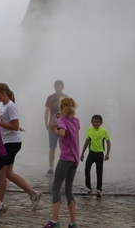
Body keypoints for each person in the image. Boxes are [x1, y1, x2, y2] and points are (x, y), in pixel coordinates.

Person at [0, 83, 42, 210]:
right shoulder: (1, 106)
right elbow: (9, 125)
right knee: (8, 173)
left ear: (4, 93)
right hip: (6, 142)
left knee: (1, 173)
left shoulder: (11, 106)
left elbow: (14, 126)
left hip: (12, 142)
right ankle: (33, 193)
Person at [43, 97, 80, 228]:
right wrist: (61, 118)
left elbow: (62, 133)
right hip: (75, 159)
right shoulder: (76, 120)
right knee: (69, 190)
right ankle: (73, 222)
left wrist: (54, 127)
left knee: (56, 187)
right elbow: (69, 127)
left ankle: (54, 221)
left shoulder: (63, 121)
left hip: (65, 158)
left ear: (61, 107)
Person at [80, 114, 111, 198]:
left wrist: (107, 154)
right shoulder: (89, 130)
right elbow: (86, 142)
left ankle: (99, 189)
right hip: (91, 153)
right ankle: (88, 187)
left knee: (99, 171)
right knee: (87, 169)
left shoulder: (103, 131)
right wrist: (82, 153)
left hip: (100, 154)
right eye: (93, 122)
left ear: (101, 123)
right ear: (91, 122)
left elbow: (108, 143)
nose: (95, 124)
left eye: (97, 122)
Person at [44, 80, 66, 177]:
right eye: (56, 86)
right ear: (54, 87)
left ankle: (62, 167)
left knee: (63, 147)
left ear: (62, 87)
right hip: (53, 124)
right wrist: (46, 123)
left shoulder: (66, 98)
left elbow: (70, 111)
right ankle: (51, 168)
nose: (58, 87)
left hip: (63, 125)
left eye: (60, 86)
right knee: (52, 146)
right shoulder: (51, 97)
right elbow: (47, 111)